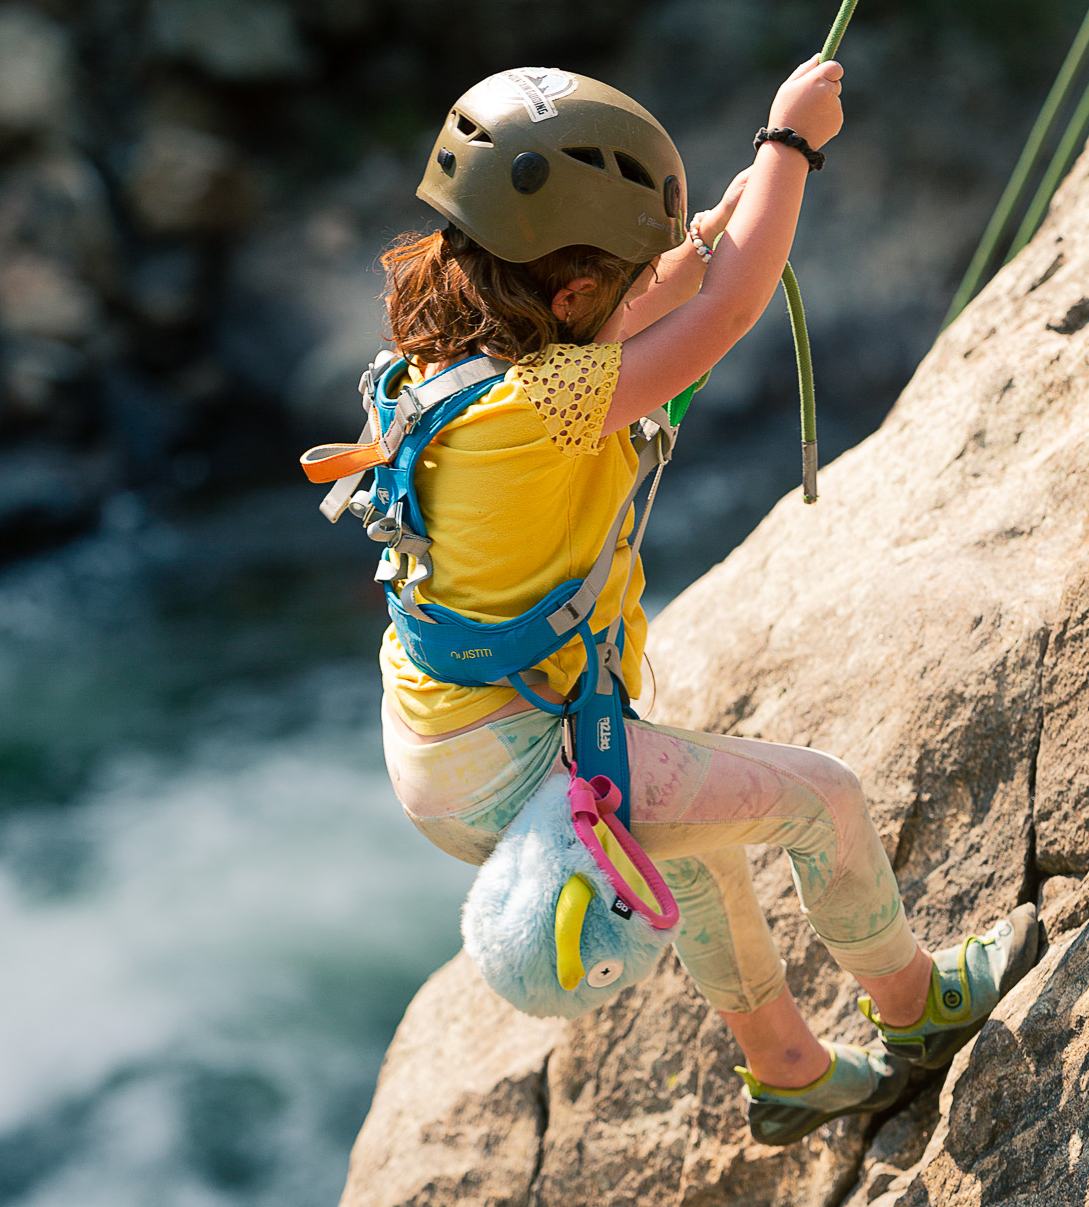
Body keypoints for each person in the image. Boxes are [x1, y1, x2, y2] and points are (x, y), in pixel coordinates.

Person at [373, 57, 1038, 1146]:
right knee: (823, 800)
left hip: (441, 744)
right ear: (571, 297)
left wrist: (679, 262)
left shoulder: (438, 365)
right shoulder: (542, 405)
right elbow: (728, 310)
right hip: (516, 759)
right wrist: (789, 146)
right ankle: (918, 1007)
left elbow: (636, 317)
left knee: (697, 844)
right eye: (620, 278)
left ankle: (787, 1067)